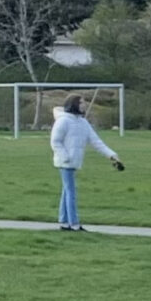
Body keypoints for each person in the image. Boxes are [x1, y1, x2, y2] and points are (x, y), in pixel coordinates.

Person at [48, 95, 124, 231]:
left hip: (74, 162)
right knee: (71, 191)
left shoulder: (83, 123)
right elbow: (55, 142)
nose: (84, 105)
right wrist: (65, 157)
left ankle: (64, 222)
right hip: (65, 162)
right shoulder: (63, 121)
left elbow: (96, 142)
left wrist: (112, 155)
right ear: (74, 104)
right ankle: (74, 224)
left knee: (67, 190)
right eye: (81, 103)